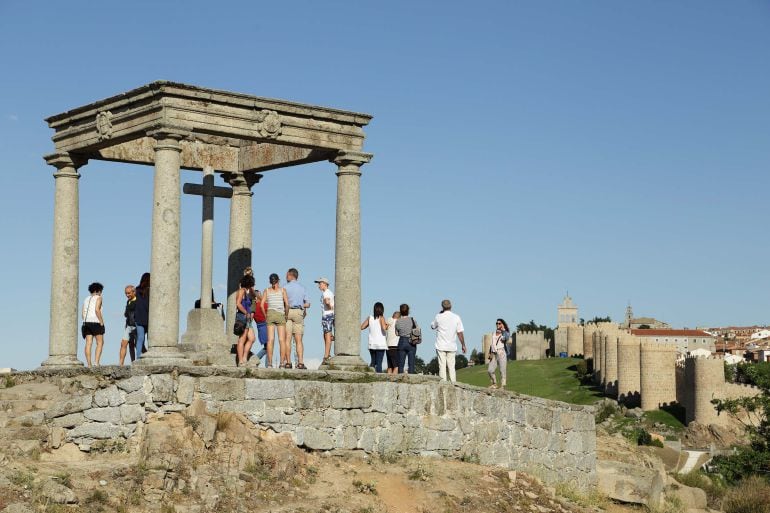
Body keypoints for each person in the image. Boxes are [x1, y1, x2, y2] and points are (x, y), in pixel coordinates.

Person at [430, 299, 466, 383]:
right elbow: (460, 332)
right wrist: (463, 345)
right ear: (451, 306)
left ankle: (443, 383)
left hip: (441, 345)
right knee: (451, 366)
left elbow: (432, 326)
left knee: (442, 366)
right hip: (452, 345)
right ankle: (453, 382)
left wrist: (439, 313)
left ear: (442, 307)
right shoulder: (456, 317)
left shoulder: (438, 316)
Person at [261, 273, 289, 368]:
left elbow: (261, 305)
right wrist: (286, 315)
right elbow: (287, 304)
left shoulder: (267, 291)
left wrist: (265, 315)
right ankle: (281, 363)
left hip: (270, 314)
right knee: (282, 340)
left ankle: (269, 363)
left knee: (270, 340)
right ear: (278, 280)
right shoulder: (282, 290)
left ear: (270, 281)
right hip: (280, 314)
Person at [284, 268, 310, 370]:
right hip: (298, 312)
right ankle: (300, 363)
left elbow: (283, 302)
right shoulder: (302, 288)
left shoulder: (285, 287)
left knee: (287, 339)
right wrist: (300, 304)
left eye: (287, 275)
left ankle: (288, 363)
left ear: (290, 275)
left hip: (287, 312)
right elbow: (308, 304)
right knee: (299, 340)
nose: (286, 277)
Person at [235, 274, 257, 366]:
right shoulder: (241, 291)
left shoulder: (247, 292)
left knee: (252, 338)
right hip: (243, 317)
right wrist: (246, 313)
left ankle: (244, 357)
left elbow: (255, 296)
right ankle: (241, 360)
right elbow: (238, 304)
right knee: (242, 339)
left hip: (247, 319)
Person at [81, 282, 105, 367]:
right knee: (100, 342)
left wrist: (85, 320)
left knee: (88, 343)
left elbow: (82, 313)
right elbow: (97, 309)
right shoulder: (99, 298)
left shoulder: (86, 299)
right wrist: (101, 321)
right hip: (96, 322)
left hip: (86, 322)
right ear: (97, 290)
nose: (101, 292)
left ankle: (89, 364)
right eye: (101, 291)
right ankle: (96, 362)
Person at [361, 302, 388, 373]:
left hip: (372, 344)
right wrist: (388, 325)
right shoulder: (381, 318)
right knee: (379, 363)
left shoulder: (370, 317)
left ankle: (370, 375)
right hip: (380, 344)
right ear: (382, 310)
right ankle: (379, 378)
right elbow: (384, 328)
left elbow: (362, 327)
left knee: (373, 362)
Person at [315, 277, 334, 364]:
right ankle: (327, 354)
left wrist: (330, 307)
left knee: (327, 335)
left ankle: (326, 356)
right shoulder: (327, 292)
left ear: (325, 284)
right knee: (326, 335)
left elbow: (327, 301)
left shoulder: (326, 293)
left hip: (328, 315)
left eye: (320, 283)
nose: (318, 285)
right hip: (327, 315)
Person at [488, 318, 511, 389]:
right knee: (490, 370)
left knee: (502, 370)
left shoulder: (505, 332)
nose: (497, 324)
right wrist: (490, 352)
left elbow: (506, 338)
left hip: (501, 353)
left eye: (499, 323)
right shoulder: (494, 333)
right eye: (497, 323)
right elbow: (493, 343)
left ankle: (503, 386)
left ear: (502, 324)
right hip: (494, 353)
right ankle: (494, 384)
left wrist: (503, 329)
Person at [395, 304, 418, 374]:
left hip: (402, 341)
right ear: (408, 311)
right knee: (411, 364)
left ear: (400, 311)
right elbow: (416, 330)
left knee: (401, 364)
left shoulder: (398, 321)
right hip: (411, 342)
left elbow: (396, 333)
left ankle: (400, 380)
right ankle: (411, 379)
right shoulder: (413, 320)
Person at [119, 285, 137, 365]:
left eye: (129, 293)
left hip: (136, 325)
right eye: (126, 293)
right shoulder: (128, 301)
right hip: (128, 325)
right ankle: (121, 364)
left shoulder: (138, 300)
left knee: (137, 345)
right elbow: (126, 314)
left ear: (134, 292)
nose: (127, 295)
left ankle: (141, 361)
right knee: (124, 343)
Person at [134, 273, 150, 356]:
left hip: (139, 317)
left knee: (140, 338)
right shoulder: (151, 290)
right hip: (149, 318)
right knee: (150, 339)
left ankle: (138, 358)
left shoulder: (136, 290)